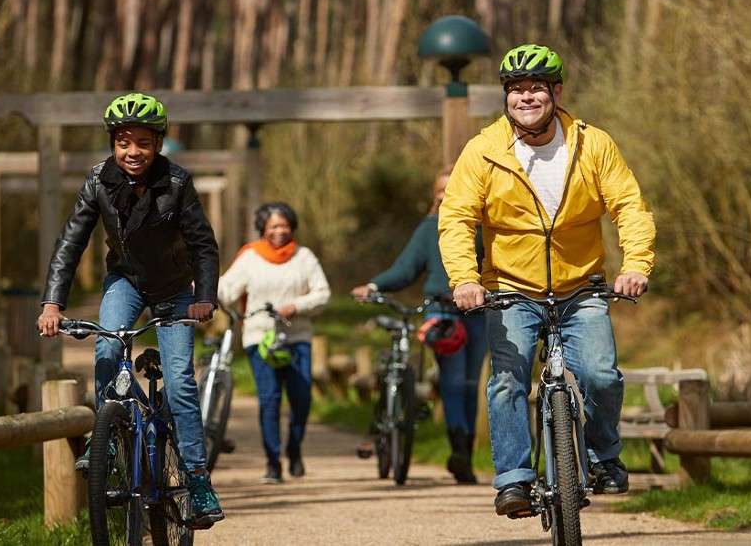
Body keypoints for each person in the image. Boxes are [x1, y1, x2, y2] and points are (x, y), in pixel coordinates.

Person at [438, 44, 655, 516]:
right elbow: (456, 218)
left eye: (537, 87)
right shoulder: (483, 151)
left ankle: (602, 458)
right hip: (511, 289)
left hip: (582, 286)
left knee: (599, 374)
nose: (526, 97)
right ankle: (514, 478)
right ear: (505, 98)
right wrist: (464, 279)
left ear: (556, 92)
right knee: (506, 381)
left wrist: (636, 265)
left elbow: (629, 207)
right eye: (516, 90)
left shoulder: (592, 144)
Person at [36, 92, 224, 527]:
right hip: (126, 281)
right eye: (123, 142)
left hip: (176, 290)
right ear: (113, 143)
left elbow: (203, 246)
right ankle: (109, 444)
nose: (132, 152)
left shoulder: (177, 183)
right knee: (106, 350)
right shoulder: (97, 181)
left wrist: (205, 298)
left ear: (157, 144)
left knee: (178, 382)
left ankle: (198, 480)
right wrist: (52, 303)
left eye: (142, 142)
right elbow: (71, 244)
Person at [350, 169, 487, 484]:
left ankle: (465, 448)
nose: (443, 196)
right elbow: (405, 269)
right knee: (452, 382)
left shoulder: (483, 227)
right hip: (442, 313)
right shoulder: (428, 229)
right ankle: (460, 453)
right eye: (439, 191)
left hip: (479, 313)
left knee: (470, 383)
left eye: (450, 190)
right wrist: (374, 286)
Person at [218, 202, 331, 484]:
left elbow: (323, 293)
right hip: (260, 338)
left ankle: (294, 450)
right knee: (269, 400)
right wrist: (203, 284)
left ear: (292, 227)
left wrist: (296, 306)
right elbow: (228, 289)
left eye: (284, 225)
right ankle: (272, 462)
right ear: (263, 229)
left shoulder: (304, 257)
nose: (280, 231)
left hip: (297, 338)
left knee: (302, 399)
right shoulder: (250, 257)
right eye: (273, 226)